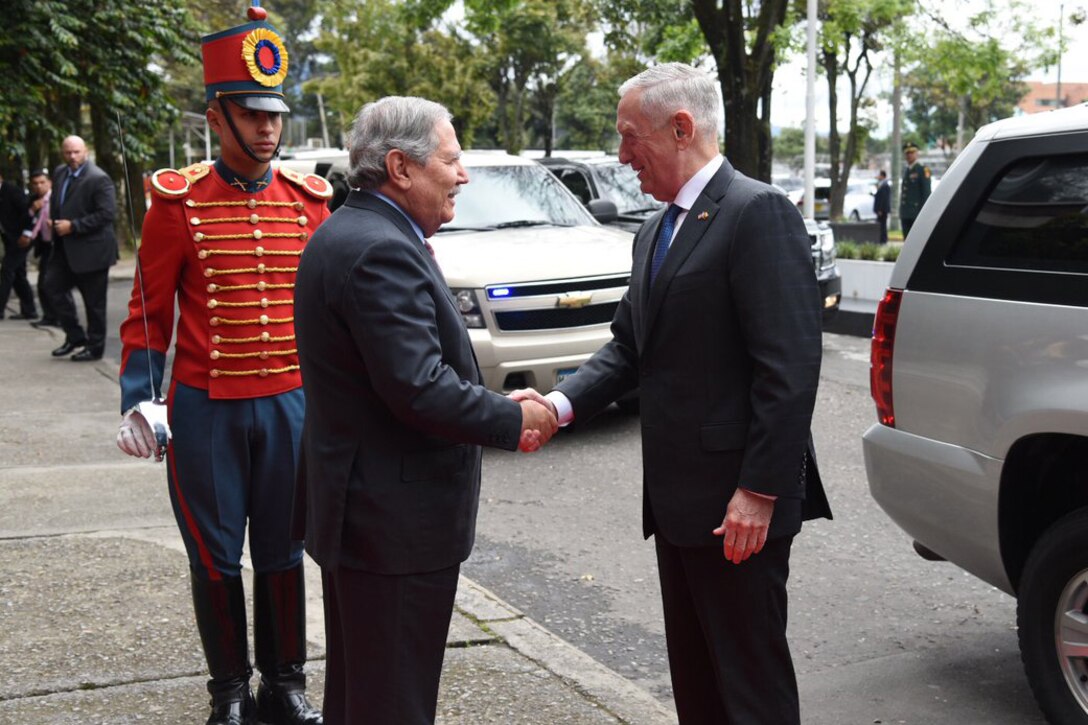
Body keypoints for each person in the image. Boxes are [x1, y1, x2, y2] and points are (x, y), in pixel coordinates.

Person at [527, 63, 832, 724]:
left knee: (750, 688)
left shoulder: (757, 212)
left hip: (738, 507)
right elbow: (629, 348)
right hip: (679, 504)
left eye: (630, 136)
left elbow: (789, 367)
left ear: (682, 127)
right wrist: (558, 406)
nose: (621, 154)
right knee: (698, 686)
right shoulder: (656, 229)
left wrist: (761, 488)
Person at [292, 95, 558, 725]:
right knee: (393, 701)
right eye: (451, 159)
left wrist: (494, 401)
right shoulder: (379, 248)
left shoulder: (350, 230)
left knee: (363, 694)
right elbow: (419, 388)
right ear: (400, 167)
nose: (462, 175)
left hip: (367, 515)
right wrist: (511, 416)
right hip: (393, 525)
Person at [114, 4, 331, 723]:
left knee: (283, 544)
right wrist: (141, 398)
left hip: (290, 402)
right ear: (217, 117)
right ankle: (230, 691)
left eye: (274, 114)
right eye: (250, 112)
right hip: (206, 406)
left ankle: (286, 681)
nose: (268, 128)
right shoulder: (176, 204)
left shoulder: (308, 203)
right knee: (213, 551)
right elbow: (148, 314)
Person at [45, 135, 118, 360]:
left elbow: (107, 214)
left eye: (76, 152)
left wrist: (73, 226)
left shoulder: (98, 178)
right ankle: (75, 337)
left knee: (94, 305)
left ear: (85, 151)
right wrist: (54, 221)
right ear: (62, 153)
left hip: (93, 251)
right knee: (51, 288)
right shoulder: (59, 172)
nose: (73, 156)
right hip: (64, 248)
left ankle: (95, 348)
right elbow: (59, 202)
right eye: (68, 152)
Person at [0, 168, 33, 319]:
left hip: (22, 239)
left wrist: (27, 233)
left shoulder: (12, 191)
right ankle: (29, 310)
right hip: (9, 238)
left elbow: (28, 213)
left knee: (7, 270)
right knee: (19, 274)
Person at [899, 143, 931, 236]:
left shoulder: (922, 169)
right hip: (906, 213)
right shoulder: (907, 170)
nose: (909, 155)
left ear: (917, 153)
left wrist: (924, 213)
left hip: (916, 213)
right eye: (907, 153)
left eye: (912, 152)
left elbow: (926, 193)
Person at [873, 169, 891, 244]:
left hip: (882, 210)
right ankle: (882, 239)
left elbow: (884, 199)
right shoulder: (881, 184)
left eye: (879, 175)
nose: (878, 177)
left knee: (882, 225)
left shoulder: (885, 185)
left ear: (882, 176)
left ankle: (883, 240)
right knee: (881, 224)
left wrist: (880, 209)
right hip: (881, 209)